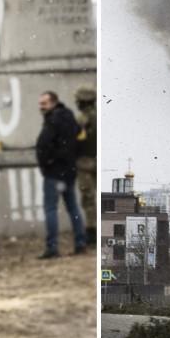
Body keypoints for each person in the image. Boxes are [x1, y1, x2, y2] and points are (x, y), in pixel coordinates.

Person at [35, 90, 86, 259]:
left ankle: (52, 247)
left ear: (54, 102)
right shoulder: (69, 116)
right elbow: (79, 139)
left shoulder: (52, 120)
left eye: (44, 103)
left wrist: (46, 163)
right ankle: (80, 243)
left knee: (51, 209)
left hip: (54, 172)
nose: (41, 107)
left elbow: (43, 145)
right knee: (73, 207)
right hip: (69, 170)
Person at [73, 85, 98, 247]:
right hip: (98, 160)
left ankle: (92, 231)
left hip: (84, 162)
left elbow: (76, 140)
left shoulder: (81, 120)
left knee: (88, 198)